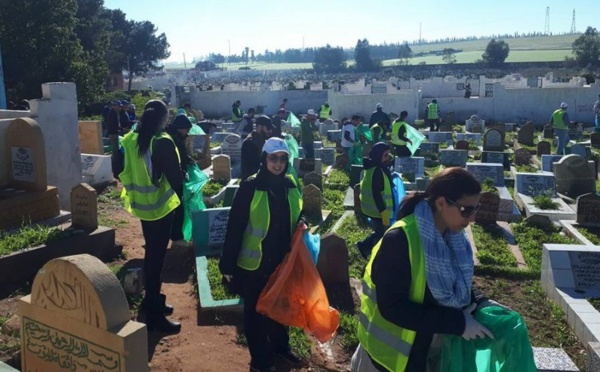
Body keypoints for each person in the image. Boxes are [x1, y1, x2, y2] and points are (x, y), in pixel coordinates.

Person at [352, 167, 502, 372]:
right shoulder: (399, 240)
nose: (472, 218)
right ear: (441, 203)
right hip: (390, 360)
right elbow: (393, 308)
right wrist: (458, 323)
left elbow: (457, 280)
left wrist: (481, 301)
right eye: (466, 210)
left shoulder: (453, 237)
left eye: (475, 209)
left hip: (427, 353)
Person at [220, 138, 304, 372]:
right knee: (255, 313)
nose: (278, 163)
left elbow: (296, 213)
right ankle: (260, 359)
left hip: (281, 261)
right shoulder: (250, 186)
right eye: (273, 158)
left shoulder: (289, 185)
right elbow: (235, 226)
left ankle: (280, 347)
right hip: (253, 263)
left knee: (280, 306)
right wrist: (227, 264)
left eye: (282, 158)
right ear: (264, 159)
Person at [119, 99, 182, 333]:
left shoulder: (131, 139)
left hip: (143, 207)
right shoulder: (162, 142)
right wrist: (180, 209)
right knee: (156, 260)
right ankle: (154, 315)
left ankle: (151, 300)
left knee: (152, 256)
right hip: (162, 209)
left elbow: (119, 168)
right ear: (164, 118)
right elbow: (176, 179)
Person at [356, 142, 394, 259]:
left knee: (379, 232)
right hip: (378, 210)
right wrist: (383, 212)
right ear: (378, 155)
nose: (388, 158)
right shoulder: (377, 171)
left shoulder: (372, 166)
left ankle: (367, 248)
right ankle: (365, 248)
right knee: (382, 233)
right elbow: (376, 193)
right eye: (386, 155)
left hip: (372, 209)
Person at [165, 114, 195, 248]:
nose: (187, 132)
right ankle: (176, 236)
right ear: (180, 128)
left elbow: (180, 155)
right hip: (173, 178)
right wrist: (180, 173)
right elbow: (171, 159)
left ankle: (174, 234)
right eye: (186, 129)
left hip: (176, 176)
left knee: (177, 207)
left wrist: (188, 160)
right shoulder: (171, 139)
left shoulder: (177, 137)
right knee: (178, 208)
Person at [241, 115, 273, 179]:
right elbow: (250, 169)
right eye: (268, 128)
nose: (270, 131)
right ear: (259, 127)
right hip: (251, 182)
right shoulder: (249, 143)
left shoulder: (262, 140)